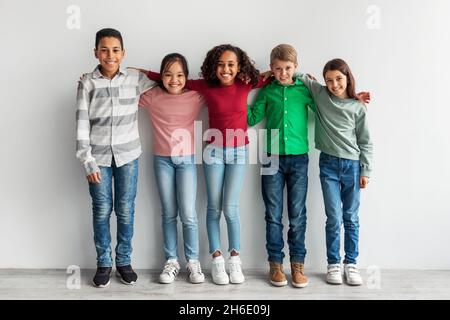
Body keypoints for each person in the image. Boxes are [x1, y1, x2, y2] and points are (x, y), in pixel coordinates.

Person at [142, 44, 268, 284]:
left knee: (231, 208)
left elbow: (273, 76)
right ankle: (217, 260)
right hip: (213, 152)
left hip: (240, 152)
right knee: (213, 208)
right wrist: (147, 73)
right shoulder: (205, 87)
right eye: (220, 64)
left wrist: (301, 76)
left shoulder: (246, 84)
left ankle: (235, 259)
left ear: (239, 66)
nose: (226, 69)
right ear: (213, 66)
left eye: (231, 64)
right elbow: (175, 78)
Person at [76, 28, 152, 288]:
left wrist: (141, 69)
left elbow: (168, 80)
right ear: (96, 52)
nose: (110, 55)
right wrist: (87, 160)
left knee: (126, 211)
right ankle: (104, 263)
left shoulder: (135, 79)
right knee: (101, 211)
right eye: (104, 50)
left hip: (129, 156)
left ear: (123, 53)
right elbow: (81, 124)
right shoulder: (87, 82)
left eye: (115, 50)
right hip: (97, 159)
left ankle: (123, 261)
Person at [299, 59, 373, 286]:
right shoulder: (320, 94)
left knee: (351, 217)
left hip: (352, 166)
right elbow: (297, 74)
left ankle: (351, 264)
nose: (334, 84)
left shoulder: (358, 107)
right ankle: (333, 264)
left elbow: (366, 142)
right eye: (329, 80)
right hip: (328, 165)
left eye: (339, 79)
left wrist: (366, 170)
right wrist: (307, 77)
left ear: (348, 78)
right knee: (333, 218)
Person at [247, 44, 314, 288]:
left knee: (297, 215)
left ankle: (298, 265)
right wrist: (239, 94)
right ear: (271, 69)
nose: (283, 73)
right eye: (278, 69)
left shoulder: (305, 90)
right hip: (270, 157)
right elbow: (251, 118)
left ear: (296, 67)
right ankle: (275, 265)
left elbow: (325, 112)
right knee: (273, 215)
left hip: (299, 158)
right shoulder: (267, 92)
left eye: (288, 68)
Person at [138, 53, 205, 284]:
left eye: (179, 75)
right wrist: (91, 79)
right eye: (167, 74)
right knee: (168, 213)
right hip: (162, 161)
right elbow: (123, 93)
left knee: (188, 214)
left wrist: (264, 78)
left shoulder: (196, 96)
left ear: (187, 77)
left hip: (187, 160)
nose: (174, 80)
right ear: (161, 77)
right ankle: (171, 261)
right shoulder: (152, 96)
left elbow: (220, 86)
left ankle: (193, 262)